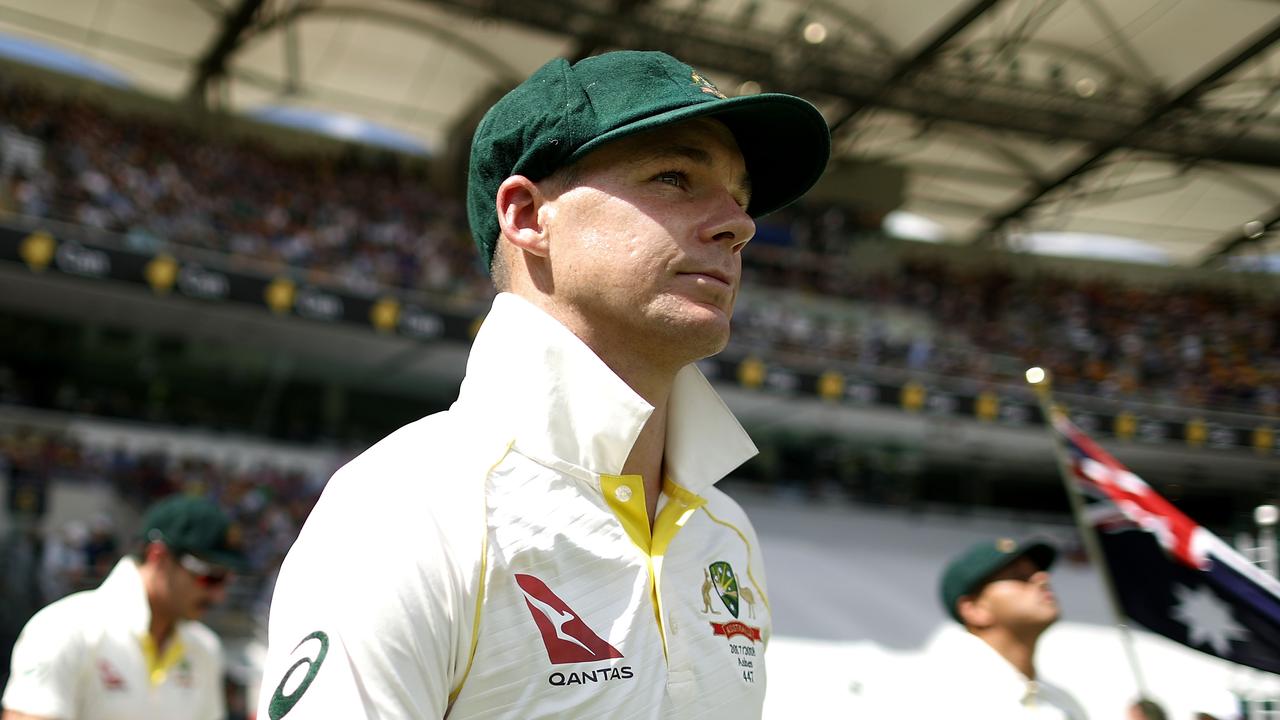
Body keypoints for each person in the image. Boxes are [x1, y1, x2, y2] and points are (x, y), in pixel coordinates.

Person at [256, 49, 830, 719]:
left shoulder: (726, 533)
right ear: (527, 216)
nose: (740, 224)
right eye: (675, 177)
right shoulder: (411, 507)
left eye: (740, 196)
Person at [2, 495, 245, 720]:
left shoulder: (205, 649)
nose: (219, 595)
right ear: (158, 556)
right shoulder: (62, 629)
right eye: (210, 577)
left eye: (226, 579)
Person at [929, 536, 1089, 719]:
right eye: (1019, 577)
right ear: (974, 609)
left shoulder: (1064, 703)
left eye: (1038, 571)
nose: (1042, 578)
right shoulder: (940, 696)